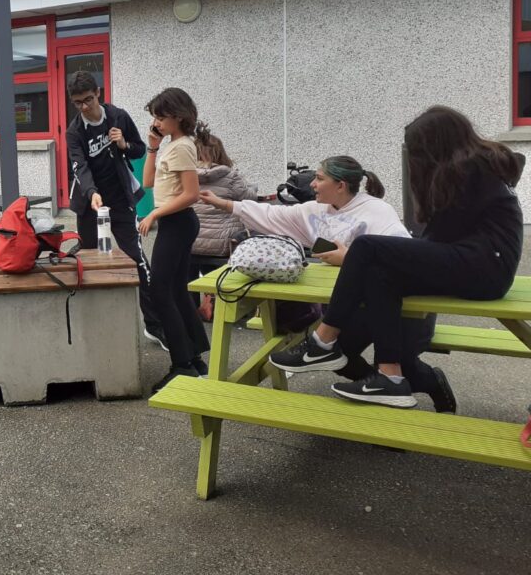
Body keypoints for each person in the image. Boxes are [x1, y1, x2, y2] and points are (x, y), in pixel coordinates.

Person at [265, 107, 523, 409]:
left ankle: (322, 342)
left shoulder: (472, 169)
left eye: (418, 152)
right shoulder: (475, 166)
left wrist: (396, 256)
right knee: (379, 273)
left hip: (485, 267)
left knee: (366, 248)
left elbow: (439, 236)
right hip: (480, 264)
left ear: (435, 145)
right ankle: (390, 377)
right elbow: (440, 237)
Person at [200, 154, 455, 412]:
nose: (312, 184)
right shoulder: (315, 211)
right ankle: (382, 397)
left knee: (401, 364)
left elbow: (407, 260)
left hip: (407, 313)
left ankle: (433, 383)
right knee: (337, 354)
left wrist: (349, 257)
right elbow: (272, 214)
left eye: (319, 179)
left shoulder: (378, 212)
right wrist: (223, 204)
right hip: (362, 308)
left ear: (340, 185)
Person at [65, 71, 165, 347]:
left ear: (98, 92)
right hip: (90, 204)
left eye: (88, 100)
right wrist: (91, 192)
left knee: (137, 259)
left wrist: (123, 143)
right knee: (88, 261)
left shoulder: (118, 116)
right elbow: (79, 167)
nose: (84, 107)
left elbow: (138, 149)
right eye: (78, 103)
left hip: (120, 199)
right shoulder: (74, 132)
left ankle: (154, 325)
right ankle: (93, 322)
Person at [138, 87, 210, 392]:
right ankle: (194, 359)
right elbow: (148, 182)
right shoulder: (171, 145)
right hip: (174, 222)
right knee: (176, 290)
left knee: (160, 291)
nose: (156, 121)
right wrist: (153, 147)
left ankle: (182, 365)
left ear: (177, 117)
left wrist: (154, 215)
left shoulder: (182, 146)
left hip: (177, 223)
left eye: (160, 116)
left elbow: (191, 194)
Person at [190, 134, 250, 314]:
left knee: (189, 267)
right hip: (222, 245)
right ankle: (215, 297)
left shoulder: (184, 175)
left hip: (191, 242)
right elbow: (248, 200)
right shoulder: (231, 176)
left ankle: (190, 307)